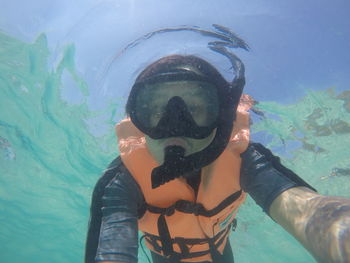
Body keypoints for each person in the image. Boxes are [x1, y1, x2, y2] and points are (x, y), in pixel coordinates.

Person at [85, 54, 350, 263]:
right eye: (156, 111)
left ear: (221, 119)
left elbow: (309, 209)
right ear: (138, 117)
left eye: (196, 109)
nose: (174, 126)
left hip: (219, 253)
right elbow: (110, 250)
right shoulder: (121, 183)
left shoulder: (246, 161)